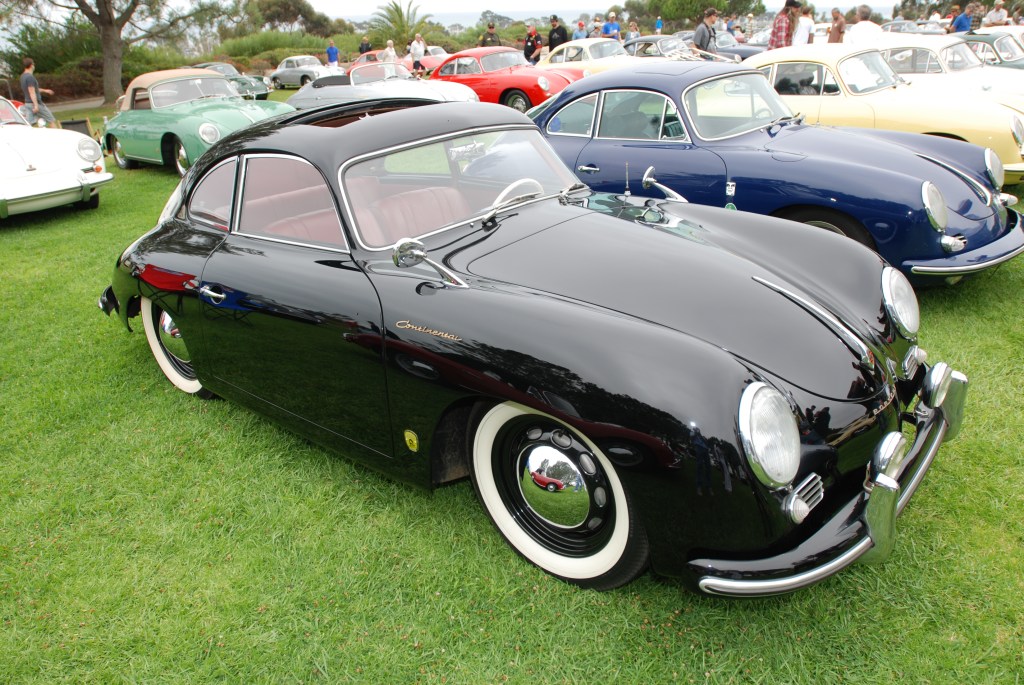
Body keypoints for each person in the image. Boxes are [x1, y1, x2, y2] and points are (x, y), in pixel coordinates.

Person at [19, 57, 56, 128]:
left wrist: (45, 90)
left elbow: (33, 89)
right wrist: (36, 105)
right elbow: (32, 92)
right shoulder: (30, 77)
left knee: (29, 125)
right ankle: (56, 134)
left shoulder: (22, 76)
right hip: (35, 104)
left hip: (27, 104)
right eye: (33, 64)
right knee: (51, 120)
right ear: (31, 65)